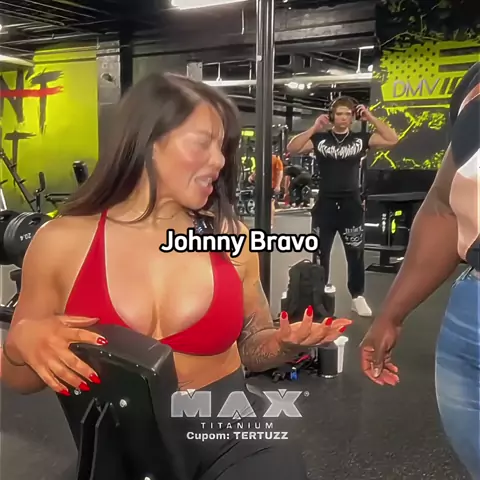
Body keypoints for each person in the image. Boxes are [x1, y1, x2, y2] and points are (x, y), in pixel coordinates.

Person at [0, 73, 352, 480]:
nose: (219, 161)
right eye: (203, 143)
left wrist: (282, 344)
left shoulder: (232, 239)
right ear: (148, 141)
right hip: (120, 449)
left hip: (231, 434)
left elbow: (252, 346)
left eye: (222, 148)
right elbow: (20, 380)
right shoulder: (61, 242)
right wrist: (21, 341)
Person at [360, 62, 480, 478]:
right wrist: (391, 314)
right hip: (472, 313)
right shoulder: (475, 83)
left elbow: (390, 139)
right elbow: (446, 206)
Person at [286, 97, 399, 317]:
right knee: (320, 252)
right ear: (332, 116)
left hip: (351, 205)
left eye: (348, 114)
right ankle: (320, 294)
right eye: (339, 114)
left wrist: (370, 117)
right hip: (325, 205)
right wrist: (314, 127)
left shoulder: (360, 139)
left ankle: (357, 296)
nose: (343, 118)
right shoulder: (320, 139)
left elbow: (392, 139)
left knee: (355, 252)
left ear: (353, 117)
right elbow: (293, 147)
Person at [248, 152, 284, 227]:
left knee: (270, 203)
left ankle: (270, 222)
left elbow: (280, 173)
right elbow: (257, 171)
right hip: (263, 184)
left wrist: (278, 185)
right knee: (264, 202)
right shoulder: (266, 160)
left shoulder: (274, 160)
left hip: (271, 185)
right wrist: (252, 177)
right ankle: (265, 222)